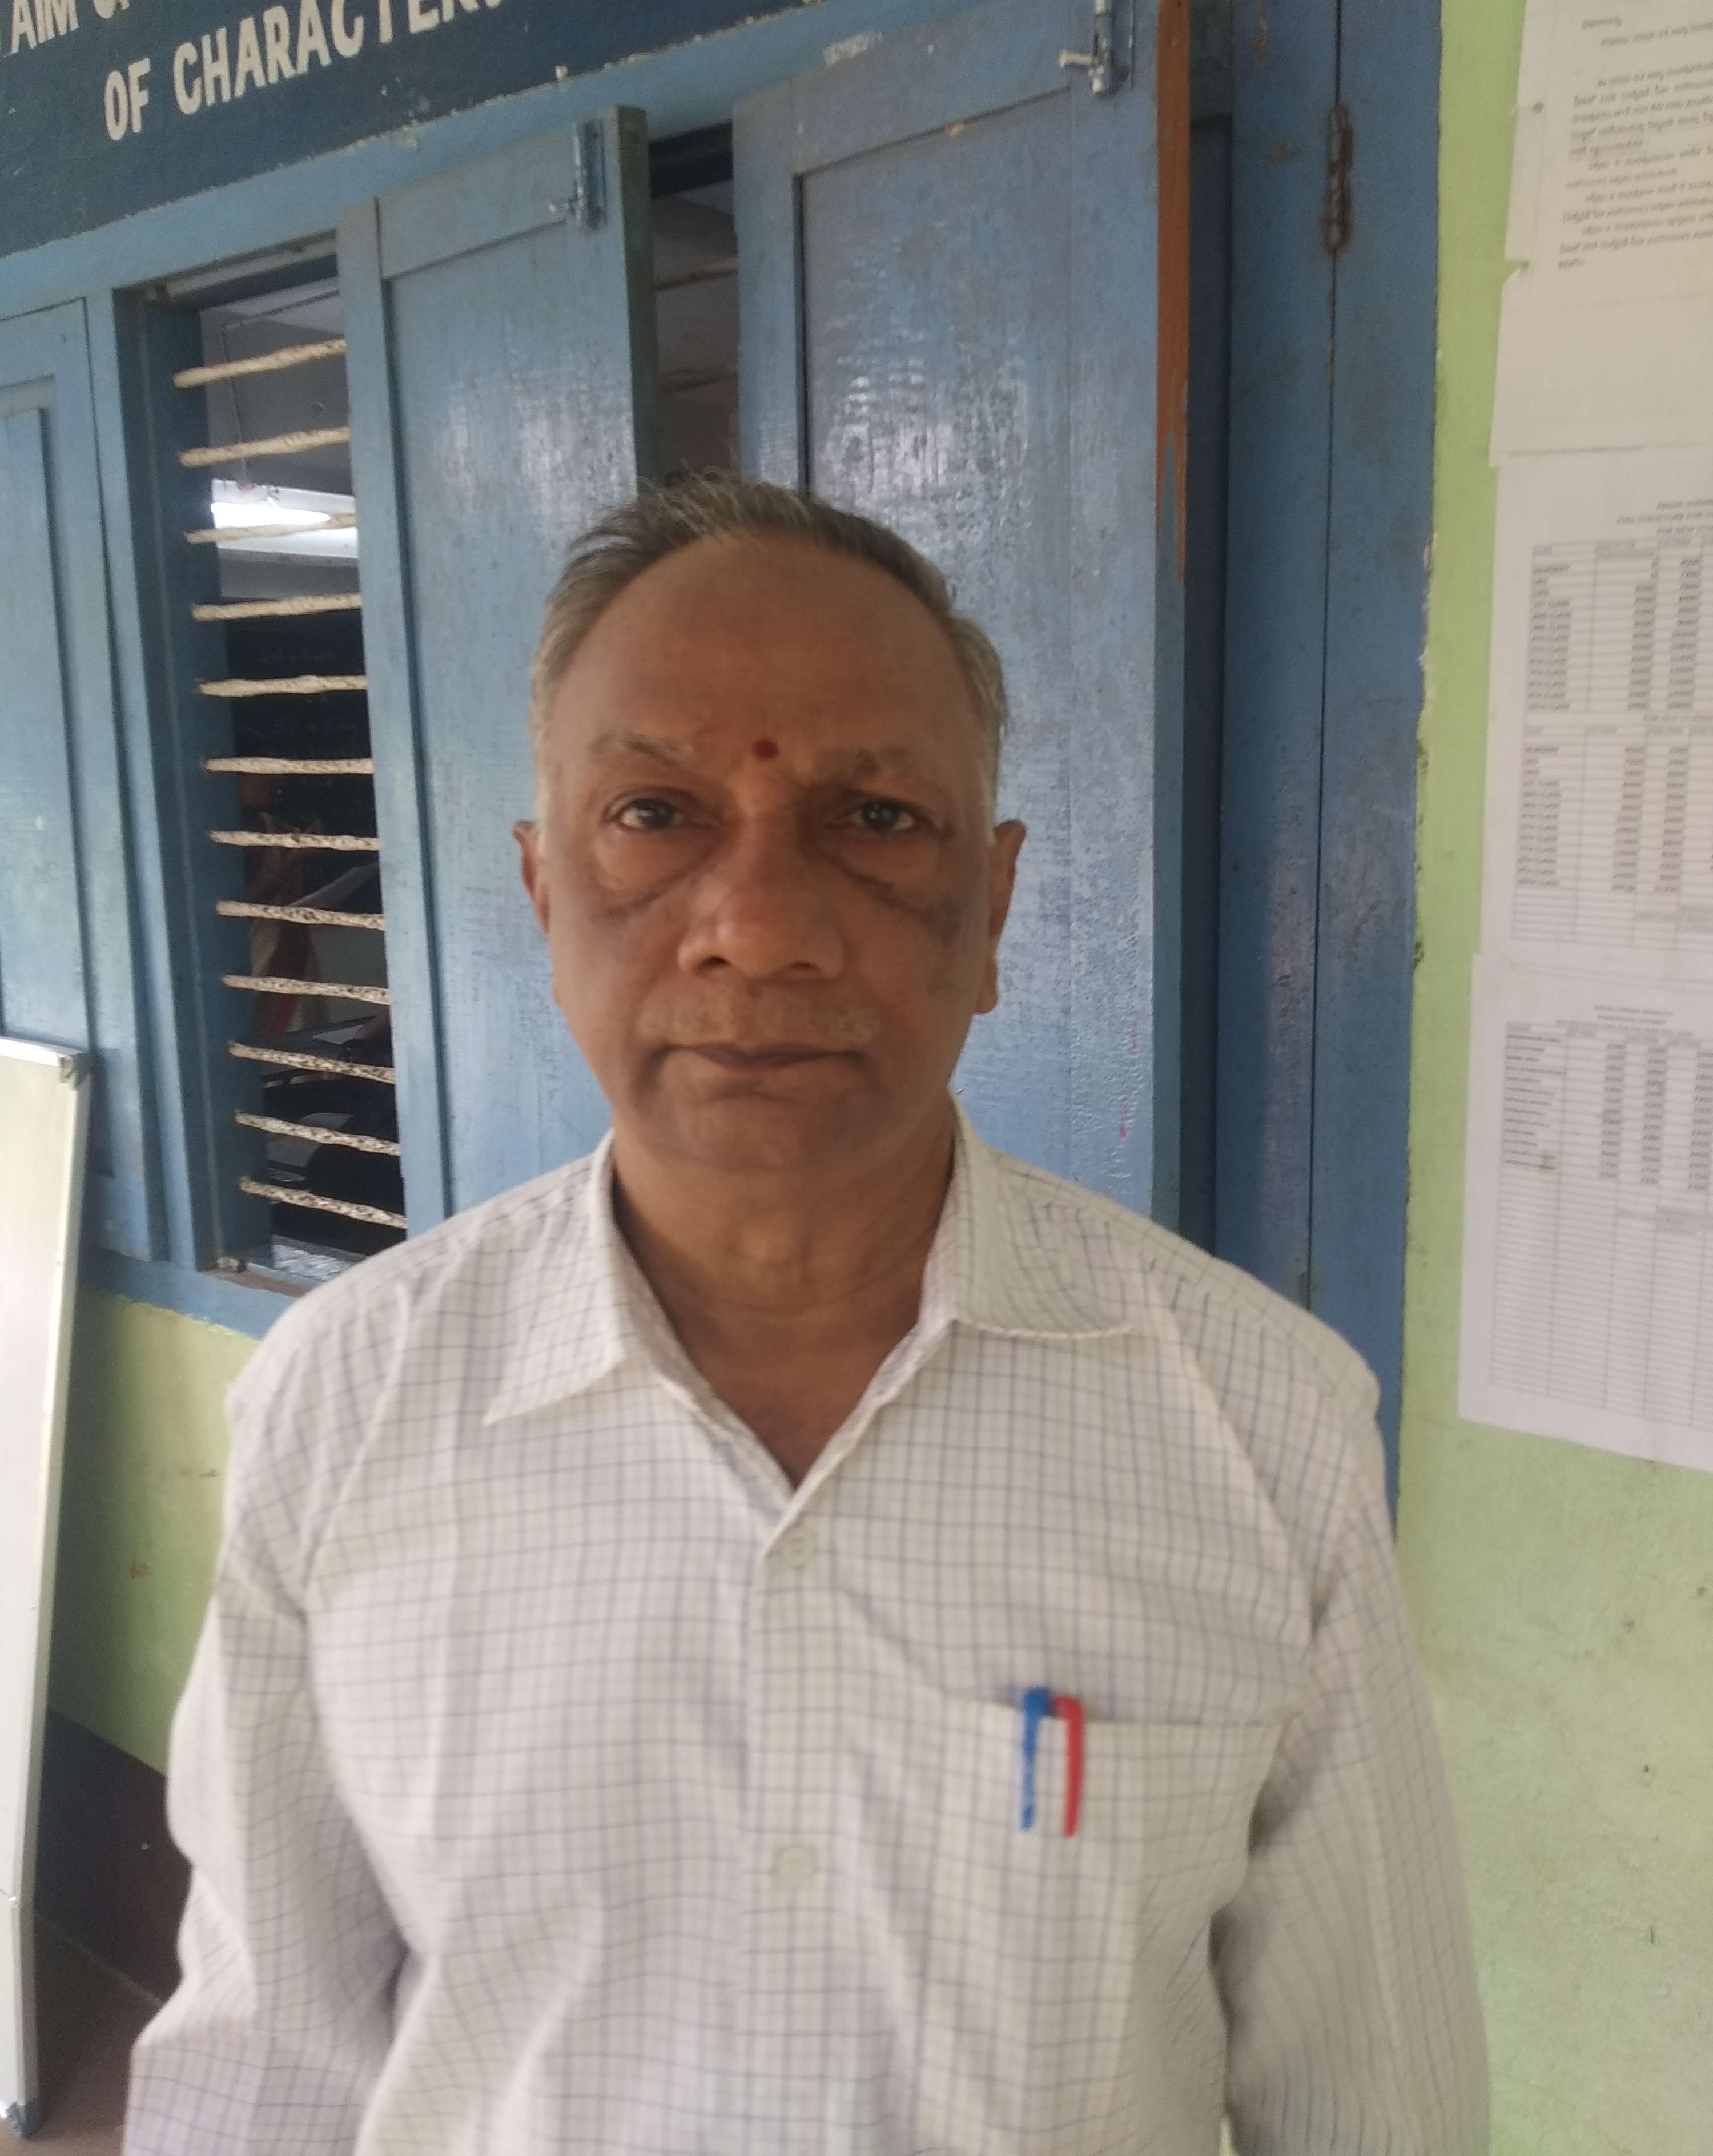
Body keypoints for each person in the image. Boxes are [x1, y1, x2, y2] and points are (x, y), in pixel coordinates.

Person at [125, 475, 1487, 2154]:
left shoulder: (1264, 1427)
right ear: (542, 893)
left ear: (992, 911)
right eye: (654, 813)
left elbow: (1377, 2105)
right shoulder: (343, 1405)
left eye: (877, 817)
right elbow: (262, 2079)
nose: (759, 928)